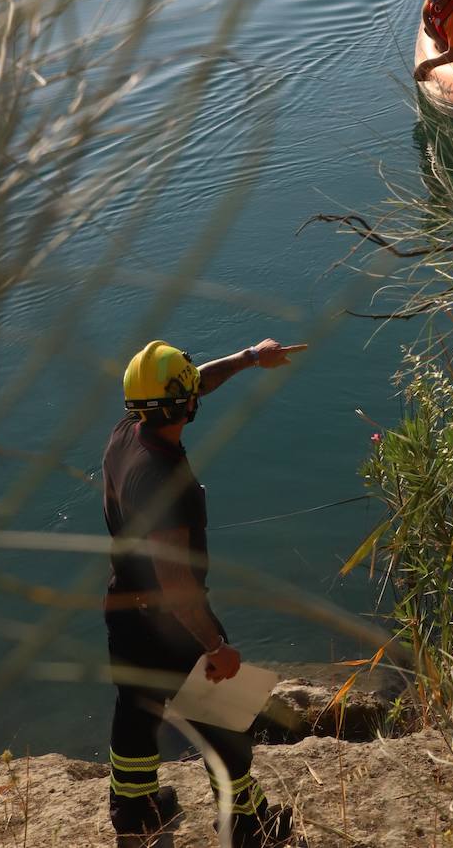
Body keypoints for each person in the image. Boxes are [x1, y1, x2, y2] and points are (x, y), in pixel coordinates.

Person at [103, 337, 305, 847]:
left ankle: (135, 811)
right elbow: (176, 584)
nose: (198, 389)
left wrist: (249, 358)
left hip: (125, 609)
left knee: (135, 709)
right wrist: (215, 647)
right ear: (182, 405)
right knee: (226, 716)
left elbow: (194, 387)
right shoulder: (166, 481)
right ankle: (247, 821)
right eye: (189, 387)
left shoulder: (129, 429)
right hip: (171, 623)